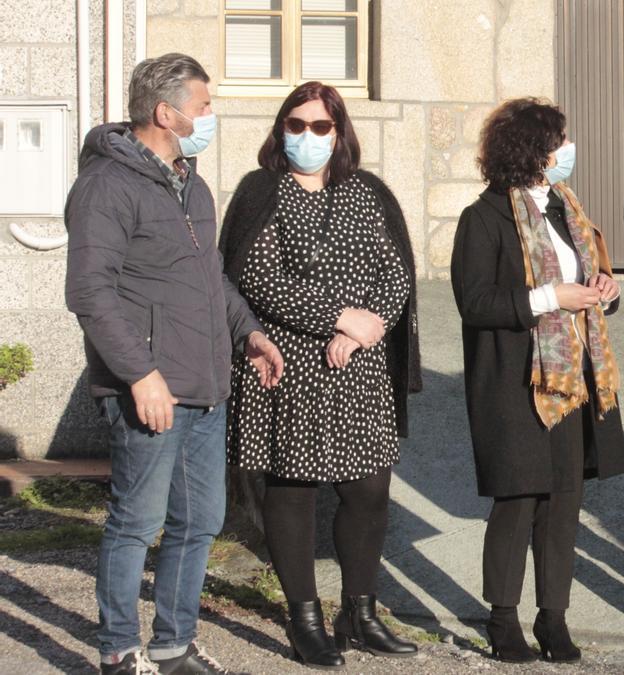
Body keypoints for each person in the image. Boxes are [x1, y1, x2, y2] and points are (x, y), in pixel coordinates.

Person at [65, 53, 284, 675]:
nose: (211, 116)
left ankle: (172, 645)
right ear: (167, 113)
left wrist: (250, 334)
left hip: (206, 386)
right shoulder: (106, 186)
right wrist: (140, 374)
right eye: (204, 106)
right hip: (151, 391)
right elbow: (90, 293)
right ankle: (117, 651)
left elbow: (208, 276)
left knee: (199, 522)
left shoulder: (190, 181)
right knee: (136, 523)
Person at [218, 81, 421, 669]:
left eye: (321, 126)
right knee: (294, 488)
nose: (308, 136)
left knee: (369, 490)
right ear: (282, 130)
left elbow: (396, 271)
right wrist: (337, 315)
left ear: (340, 132)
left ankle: (360, 614)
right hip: (288, 363)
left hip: (358, 366)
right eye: (297, 124)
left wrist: (367, 327)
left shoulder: (367, 192)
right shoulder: (263, 191)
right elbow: (256, 278)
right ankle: (304, 617)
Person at [451, 97, 624, 665]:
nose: (567, 151)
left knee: (562, 501)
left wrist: (605, 289)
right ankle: (503, 619)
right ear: (533, 150)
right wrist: (553, 297)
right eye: (559, 142)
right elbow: (474, 302)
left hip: (571, 377)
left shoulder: (565, 208)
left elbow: (588, 273)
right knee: (518, 498)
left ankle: (554, 617)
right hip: (515, 379)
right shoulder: (483, 217)